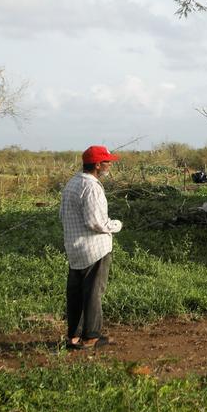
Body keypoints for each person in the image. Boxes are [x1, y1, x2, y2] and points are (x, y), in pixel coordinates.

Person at [59, 145, 123, 349]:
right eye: (107, 162)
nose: (109, 165)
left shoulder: (73, 183)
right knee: (94, 293)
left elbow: (62, 214)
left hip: (75, 247)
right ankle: (91, 337)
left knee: (76, 293)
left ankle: (74, 337)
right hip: (94, 249)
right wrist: (116, 225)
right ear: (97, 164)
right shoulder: (92, 187)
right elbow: (96, 222)